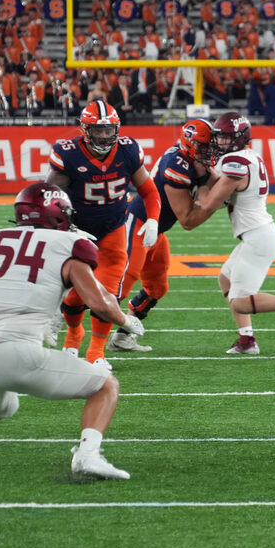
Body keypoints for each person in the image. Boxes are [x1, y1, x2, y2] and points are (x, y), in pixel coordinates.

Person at [0, 183, 145, 479]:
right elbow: (100, 304)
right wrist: (127, 323)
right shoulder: (70, 246)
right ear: (57, 214)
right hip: (16, 352)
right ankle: (88, 456)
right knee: (105, 386)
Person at [181, 111, 275, 354]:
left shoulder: (235, 161)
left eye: (226, 137)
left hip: (259, 237)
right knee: (225, 278)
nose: (220, 142)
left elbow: (208, 203)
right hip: (259, 233)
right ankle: (247, 340)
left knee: (241, 302)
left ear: (238, 138)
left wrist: (199, 184)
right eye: (219, 137)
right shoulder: (248, 156)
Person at [46, 100, 161, 369]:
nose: (105, 136)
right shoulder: (69, 153)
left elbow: (149, 190)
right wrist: (64, 226)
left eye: (110, 130)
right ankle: (73, 339)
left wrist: (154, 219)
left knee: (107, 295)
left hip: (113, 229)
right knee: (75, 293)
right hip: (76, 232)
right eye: (98, 130)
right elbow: (50, 197)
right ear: (85, 130)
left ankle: (96, 353)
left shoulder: (128, 151)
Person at [108, 119, 215, 352]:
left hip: (156, 230)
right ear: (191, 144)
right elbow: (187, 220)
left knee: (157, 287)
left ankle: (122, 337)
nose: (210, 151)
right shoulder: (176, 165)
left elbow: (217, 181)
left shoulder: (193, 160)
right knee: (118, 288)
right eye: (205, 146)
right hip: (137, 224)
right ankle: (73, 320)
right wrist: (216, 201)